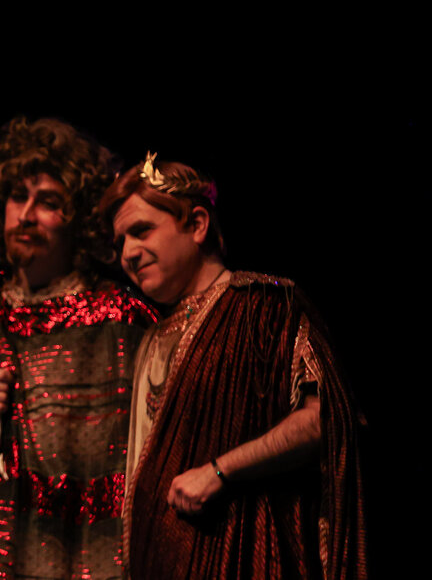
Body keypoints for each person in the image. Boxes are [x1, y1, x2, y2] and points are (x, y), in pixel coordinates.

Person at [98, 154, 367, 579]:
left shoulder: (264, 307)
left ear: (197, 224)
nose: (128, 253)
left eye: (142, 230)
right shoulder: (149, 337)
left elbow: (326, 418)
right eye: (120, 243)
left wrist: (221, 471)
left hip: (245, 556)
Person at [0, 118, 157, 580]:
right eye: (17, 196)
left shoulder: (121, 320)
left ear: (80, 216)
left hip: (82, 556)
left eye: (48, 202)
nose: (26, 215)